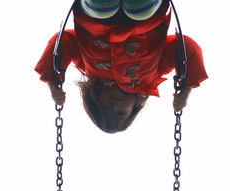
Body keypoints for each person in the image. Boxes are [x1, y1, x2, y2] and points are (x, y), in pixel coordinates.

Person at [35, 0, 208, 133]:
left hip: (96, 19)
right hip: (145, 19)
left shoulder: (88, 68)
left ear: (94, 101)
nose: (114, 106)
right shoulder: (153, 74)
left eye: (105, 109)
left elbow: (63, 42)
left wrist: (53, 81)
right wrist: (185, 90)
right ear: (134, 108)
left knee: (101, 8)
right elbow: (187, 48)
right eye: (120, 113)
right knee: (139, 9)